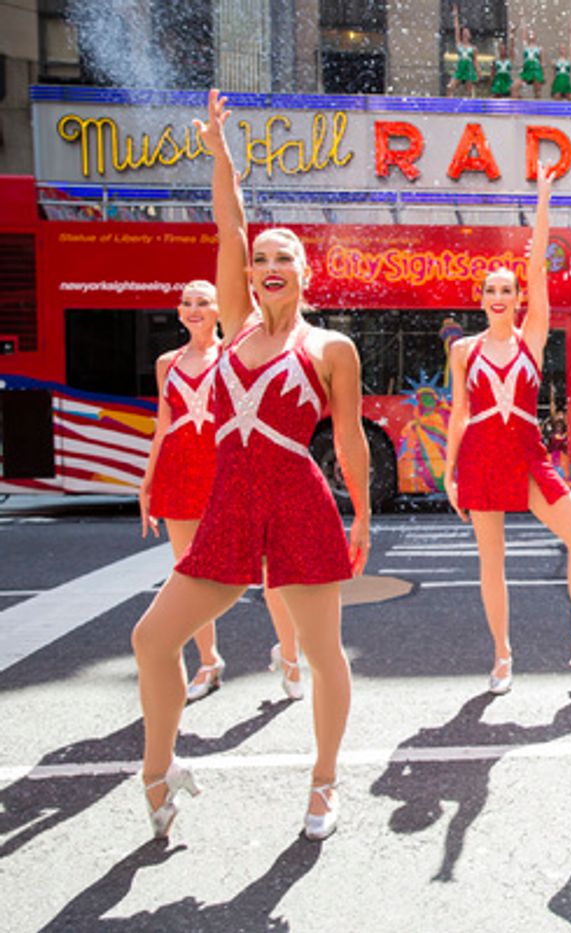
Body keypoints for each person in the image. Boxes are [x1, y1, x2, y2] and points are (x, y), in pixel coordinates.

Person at [131, 89, 370, 841]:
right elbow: (228, 225)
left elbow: (353, 439)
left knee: (324, 652)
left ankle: (326, 780)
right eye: (260, 258)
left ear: (305, 273)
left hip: (299, 502)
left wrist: (362, 511)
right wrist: (221, 154)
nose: (267, 265)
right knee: (150, 637)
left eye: (283, 258)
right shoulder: (232, 329)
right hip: (229, 504)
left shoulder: (331, 348)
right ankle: (159, 767)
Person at [444, 167, 571, 695]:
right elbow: (459, 414)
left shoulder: (532, 338)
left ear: (516, 297)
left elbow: (539, 271)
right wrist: (449, 475)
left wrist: (543, 199)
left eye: (507, 289)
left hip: (529, 455)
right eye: (490, 290)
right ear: (481, 298)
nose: (499, 296)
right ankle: (503, 656)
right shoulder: (463, 350)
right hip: (482, 457)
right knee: (492, 562)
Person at [139, 281, 305, 705]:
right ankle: (209, 662)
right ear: (178, 312)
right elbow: (163, 426)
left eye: (203, 303)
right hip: (178, 473)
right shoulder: (166, 362)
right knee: (189, 573)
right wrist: (147, 483)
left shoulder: (236, 354)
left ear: (219, 310)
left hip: (229, 471)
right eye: (187, 304)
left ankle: (289, 657)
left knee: (271, 571)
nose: (194, 311)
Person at [447, 7, 477, 97]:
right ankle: (449, 103)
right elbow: (456, 29)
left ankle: (468, 107)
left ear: (469, 35)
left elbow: (475, 61)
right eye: (463, 32)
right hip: (460, 69)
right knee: (450, 87)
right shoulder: (459, 45)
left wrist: (478, 71)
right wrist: (456, 16)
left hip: (468, 69)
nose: (465, 33)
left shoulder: (473, 48)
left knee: (468, 91)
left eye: (467, 32)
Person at [519, 28, 545, 99]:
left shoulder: (539, 48)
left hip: (536, 70)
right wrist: (523, 20)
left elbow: (542, 63)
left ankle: (538, 105)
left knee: (537, 90)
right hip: (527, 69)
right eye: (530, 34)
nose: (531, 36)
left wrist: (543, 74)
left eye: (533, 34)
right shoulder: (525, 47)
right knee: (515, 86)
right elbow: (523, 36)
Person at [490, 29, 514, 98]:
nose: (502, 51)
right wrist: (492, 82)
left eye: (503, 49)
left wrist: (512, 35)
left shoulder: (509, 60)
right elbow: (492, 72)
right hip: (498, 79)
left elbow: (512, 48)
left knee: (510, 93)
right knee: (497, 95)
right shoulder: (496, 60)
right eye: (500, 49)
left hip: (506, 79)